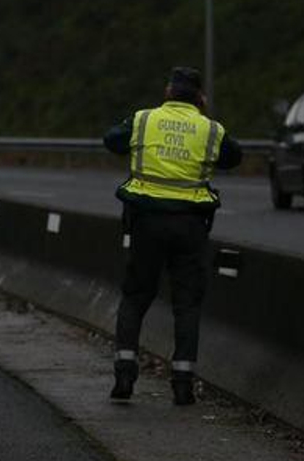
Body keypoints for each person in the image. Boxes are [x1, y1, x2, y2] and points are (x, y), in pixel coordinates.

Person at [103, 67, 242, 405]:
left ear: (168, 91)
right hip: (190, 225)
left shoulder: (143, 120)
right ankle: (182, 382)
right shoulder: (210, 129)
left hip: (146, 222)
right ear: (200, 98)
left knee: (135, 296)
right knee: (187, 303)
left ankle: (124, 372)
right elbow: (233, 158)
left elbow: (111, 140)